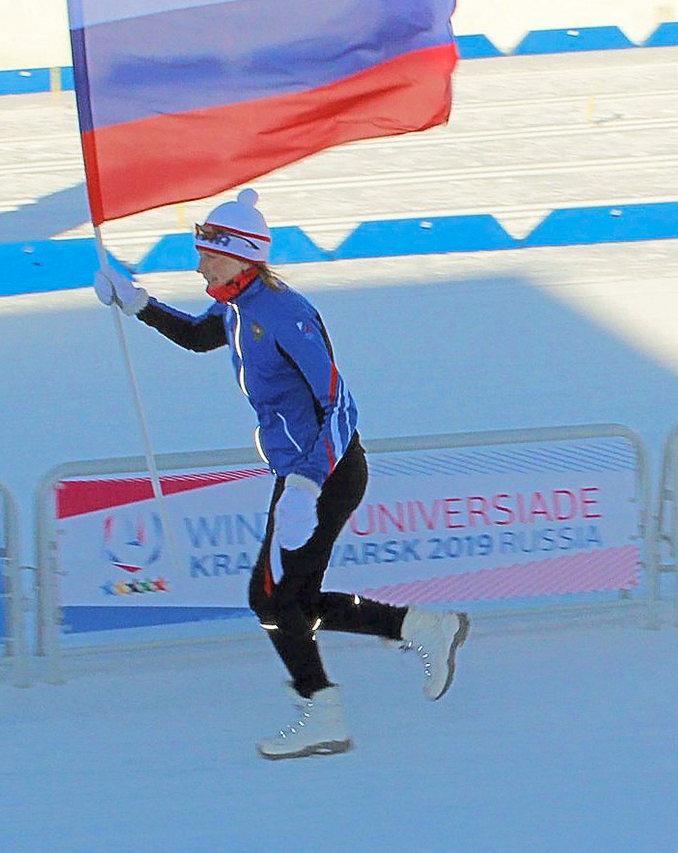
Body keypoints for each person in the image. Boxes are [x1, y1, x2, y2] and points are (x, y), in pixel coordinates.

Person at [93, 188, 471, 760]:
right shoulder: (240, 304)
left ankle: (325, 708)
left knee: (272, 598)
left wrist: (307, 485)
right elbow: (200, 337)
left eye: (208, 255)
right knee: (292, 598)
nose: (198, 264)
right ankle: (419, 629)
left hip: (327, 474)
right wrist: (136, 303)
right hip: (300, 475)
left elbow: (339, 405)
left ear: (242, 255)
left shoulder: (284, 314)